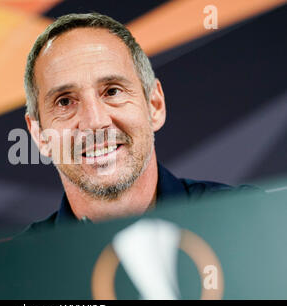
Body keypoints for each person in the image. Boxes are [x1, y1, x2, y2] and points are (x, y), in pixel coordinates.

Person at [23, 12, 250, 230]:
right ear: (39, 135)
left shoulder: (250, 220)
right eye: (64, 102)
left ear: (155, 105)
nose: (94, 122)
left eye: (112, 91)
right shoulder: (17, 266)